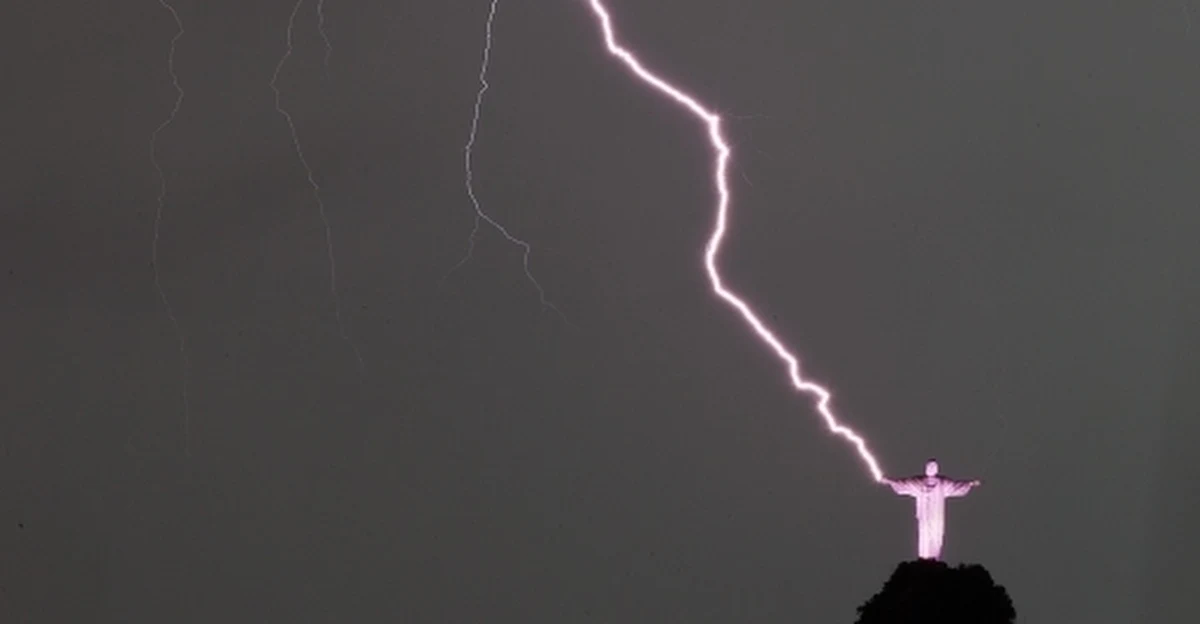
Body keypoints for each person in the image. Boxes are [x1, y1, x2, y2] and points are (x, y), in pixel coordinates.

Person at [882, 459, 980, 560]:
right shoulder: (919, 483)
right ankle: (924, 562)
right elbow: (904, 484)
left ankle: (934, 561)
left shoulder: (942, 484)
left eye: (933, 467)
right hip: (924, 519)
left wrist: (970, 484)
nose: (931, 469)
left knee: (936, 538)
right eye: (929, 467)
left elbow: (956, 486)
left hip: (936, 518)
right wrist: (890, 481)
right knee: (924, 539)